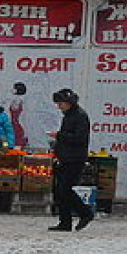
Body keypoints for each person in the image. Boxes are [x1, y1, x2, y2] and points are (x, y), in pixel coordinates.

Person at [49, 88, 94, 232]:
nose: (59, 106)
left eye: (61, 103)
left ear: (69, 103)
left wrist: (59, 136)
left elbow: (79, 138)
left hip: (74, 159)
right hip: (65, 158)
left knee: (65, 190)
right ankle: (65, 222)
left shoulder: (80, 116)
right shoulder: (68, 116)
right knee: (60, 190)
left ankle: (85, 213)